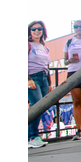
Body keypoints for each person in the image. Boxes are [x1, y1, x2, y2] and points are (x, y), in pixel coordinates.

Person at [29, 21, 52, 149]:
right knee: (36, 106)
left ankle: (32, 136)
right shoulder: (27, 45)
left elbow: (46, 66)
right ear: (29, 31)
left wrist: (49, 83)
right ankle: (32, 136)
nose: (37, 31)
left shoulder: (44, 47)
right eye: (34, 29)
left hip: (43, 78)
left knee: (40, 107)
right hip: (32, 77)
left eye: (39, 29)